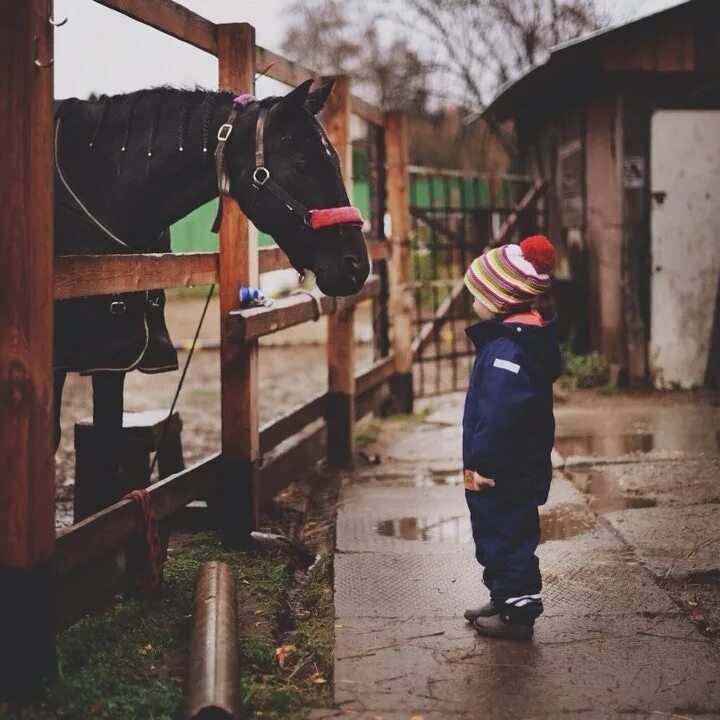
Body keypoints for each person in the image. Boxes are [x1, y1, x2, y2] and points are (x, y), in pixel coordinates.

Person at [461, 234, 560, 641]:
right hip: (508, 465)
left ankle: (519, 610)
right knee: (496, 530)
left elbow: (500, 417)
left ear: (501, 300)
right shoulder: (514, 342)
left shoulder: (508, 351)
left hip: (503, 468)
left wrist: (483, 463)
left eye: (477, 294)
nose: (471, 302)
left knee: (506, 533)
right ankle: (504, 596)